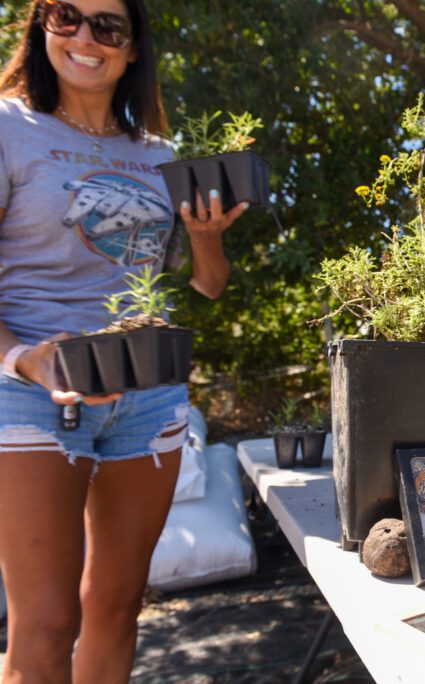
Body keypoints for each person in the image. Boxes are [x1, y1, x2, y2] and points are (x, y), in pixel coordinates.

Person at [0, 1, 246, 681]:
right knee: (46, 626)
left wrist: (204, 241)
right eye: (64, 16)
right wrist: (24, 358)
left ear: (132, 49)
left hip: (146, 393)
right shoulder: (7, 128)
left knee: (115, 607)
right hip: (28, 394)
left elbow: (206, 287)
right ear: (38, 24)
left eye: (107, 26)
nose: (84, 37)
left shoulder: (157, 154)